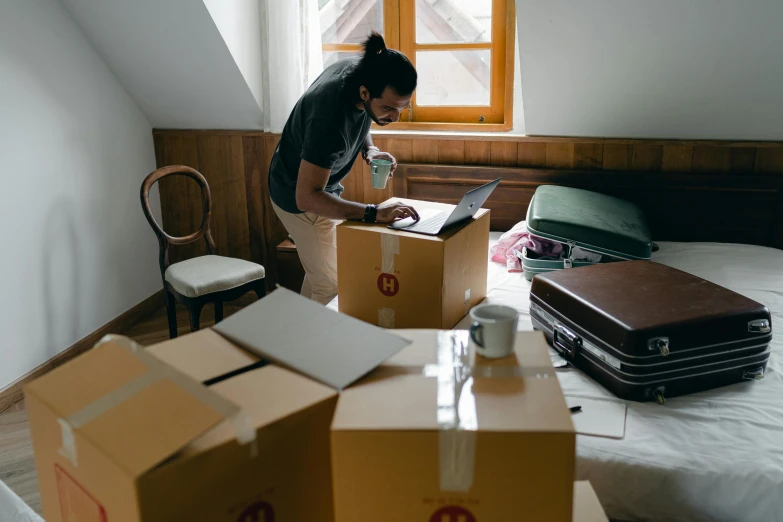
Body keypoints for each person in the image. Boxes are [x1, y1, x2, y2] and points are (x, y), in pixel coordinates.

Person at [268, 32, 419, 305]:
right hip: (298, 199)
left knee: (322, 275)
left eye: (402, 108)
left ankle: (298, 340)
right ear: (364, 92)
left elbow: (362, 116)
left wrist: (369, 149)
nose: (395, 118)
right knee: (333, 287)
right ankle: (319, 346)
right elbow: (307, 197)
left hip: (320, 190)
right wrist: (374, 213)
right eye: (388, 108)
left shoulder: (362, 71)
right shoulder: (329, 118)